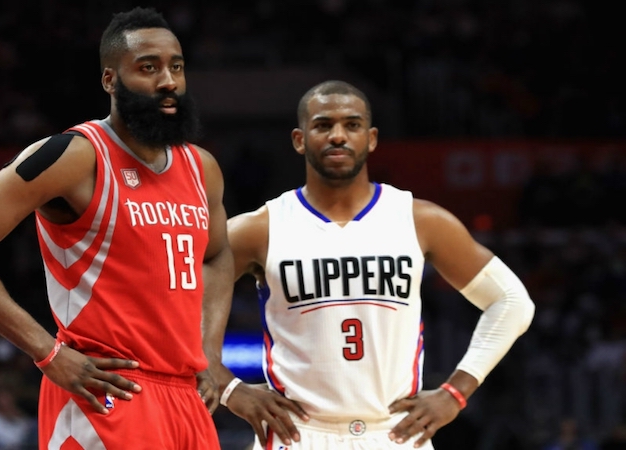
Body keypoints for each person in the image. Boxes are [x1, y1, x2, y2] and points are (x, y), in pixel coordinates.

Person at [0, 7, 233, 449]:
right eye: (148, 68)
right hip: (107, 393)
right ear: (110, 80)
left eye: (176, 67)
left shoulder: (202, 168)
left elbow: (217, 254)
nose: (168, 81)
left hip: (186, 398)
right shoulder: (74, 156)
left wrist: (210, 351)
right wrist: (46, 351)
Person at [203, 80, 535, 449]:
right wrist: (228, 387)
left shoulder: (421, 220)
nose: (338, 136)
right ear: (299, 140)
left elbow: (512, 301)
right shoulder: (259, 228)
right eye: (323, 125)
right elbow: (172, 306)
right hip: (297, 434)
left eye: (352, 125)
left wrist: (455, 392)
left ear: (372, 138)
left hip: (395, 432)